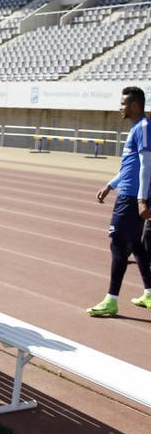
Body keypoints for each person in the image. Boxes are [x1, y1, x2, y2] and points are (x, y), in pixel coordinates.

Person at [88, 86, 151, 316]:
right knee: (135, 243)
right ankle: (149, 293)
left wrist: (142, 199)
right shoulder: (138, 128)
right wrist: (110, 185)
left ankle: (111, 299)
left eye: (123, 104)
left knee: (117, 243)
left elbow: (146, 165)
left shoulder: (143, 127)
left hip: (131, 197)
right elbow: (130, 166)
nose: (120, 107)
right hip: (128, 192)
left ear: (134, 105)